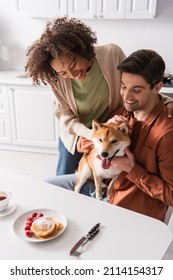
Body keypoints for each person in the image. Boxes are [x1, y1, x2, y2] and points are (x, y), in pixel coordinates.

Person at [25, 17, 173, 176]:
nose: (72, 75)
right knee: (64, 178)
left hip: (110, 134)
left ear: (82, 51)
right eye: (63, 73)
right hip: (78, 135)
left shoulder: (111, 54)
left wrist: (166, 100)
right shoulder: (56, 80)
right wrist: (90, 136)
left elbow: (135, 81)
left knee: (105, 178)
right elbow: (65, 116)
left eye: (73, 66)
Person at [46, 49, 173, 222]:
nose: (126, 96)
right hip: (102, 187)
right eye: (123, 86)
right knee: (46, 189)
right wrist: (99, 138)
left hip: (125, 206)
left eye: (136, 90)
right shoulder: (122, 113)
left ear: (157, 87)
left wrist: (132, 170)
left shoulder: (166, 135)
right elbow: (85, 143)